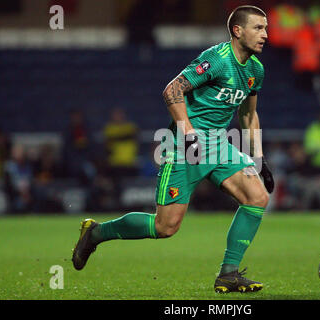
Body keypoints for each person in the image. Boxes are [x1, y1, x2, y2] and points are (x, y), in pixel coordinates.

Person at [72, 5, 274, 294]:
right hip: (184, 146)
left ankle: (228, 274)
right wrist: (189, 133)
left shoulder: (256, 69)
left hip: (218, 144)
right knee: (165, 227)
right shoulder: (216, 59)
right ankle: (96, 233)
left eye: (266, 28)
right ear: (237, 31)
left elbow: (248, 115)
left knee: (257, 197)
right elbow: (172, 90)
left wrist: (259, 158)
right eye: (258, 28)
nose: (265, 34)